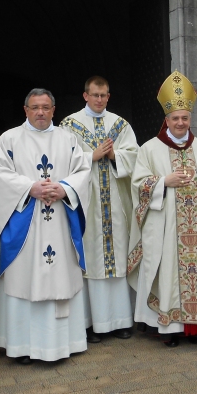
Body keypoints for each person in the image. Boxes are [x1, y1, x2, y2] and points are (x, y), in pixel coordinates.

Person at [0, 89, 91, 364]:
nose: (40, 112)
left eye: (45, 107)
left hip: (59, 222)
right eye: (34, 107)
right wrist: (30, 187)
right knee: (22, 279)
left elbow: (83, 172)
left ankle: (64, 343)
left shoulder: (68, 139)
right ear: (25, 109)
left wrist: (64, 189)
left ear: (54, 110)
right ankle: (21, 346)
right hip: (24, 223)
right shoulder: (10, 138)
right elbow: (0, 174)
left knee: (61, 276)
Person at [128, 71, 197, 346]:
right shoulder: (149, 149)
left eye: (185, 118)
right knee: (168, 272)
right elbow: (138, 184)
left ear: (190, 119)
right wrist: (163, 181)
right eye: (175, 119)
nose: (180, 123)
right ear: (166, 120)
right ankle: (171, 330)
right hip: (167, 229)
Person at [60, 76, 139, 342]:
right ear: (85, 95)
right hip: (88, 203)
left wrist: (116, 156)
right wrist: (90, 156)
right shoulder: (69, 125)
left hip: (116, 204)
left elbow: (135, 155)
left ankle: (121, 321)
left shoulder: (120, 125)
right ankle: (92, 323)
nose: (99, 100)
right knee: (91, 260)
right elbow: (62, 159)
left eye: (104, 95)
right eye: (95, 95)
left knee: (117, 258)